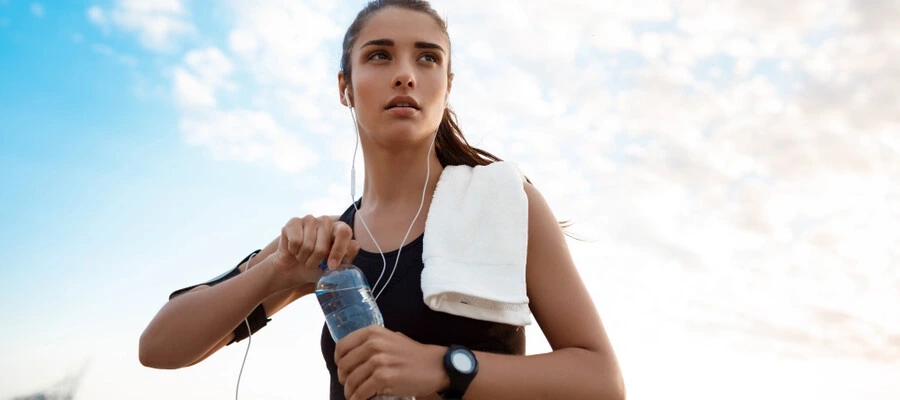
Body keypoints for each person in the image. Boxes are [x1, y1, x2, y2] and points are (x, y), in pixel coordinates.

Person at [138, 1, 625, 399]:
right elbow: (157, 347)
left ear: (447, 85)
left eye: (428, 57)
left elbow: (601, 379)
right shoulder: (327, 245)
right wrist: (275, 272)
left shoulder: (504, 202)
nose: (406, 75)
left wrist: (443, 368)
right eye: (379, 55)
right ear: (344, 88)